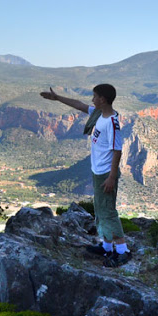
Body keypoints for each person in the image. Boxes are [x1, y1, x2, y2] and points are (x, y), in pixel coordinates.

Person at [40, 84, 131, 268]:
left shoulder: (112, 122)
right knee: (99, 210)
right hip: (98, 172)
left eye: (95, 96)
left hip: (106, 174)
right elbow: (80, 105)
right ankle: (106, 246)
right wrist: (57, 98)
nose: (92, 100)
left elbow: (117, 151)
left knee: (109, 212)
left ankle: (122, 251)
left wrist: (112, 177)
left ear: (103, 100)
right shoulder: (99, 113)